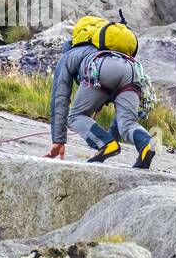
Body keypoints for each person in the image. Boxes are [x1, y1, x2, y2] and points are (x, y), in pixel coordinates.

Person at [44, 15, 157, 169]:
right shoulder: (111, 48)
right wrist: (110, 143)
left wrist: (58, 140)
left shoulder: (69, 54)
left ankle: (105, 144)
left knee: (76, 116)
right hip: (132, 69)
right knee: (127, 123)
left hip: (100, 68)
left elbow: (60, 97)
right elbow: (118, 121)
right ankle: (145, 143)